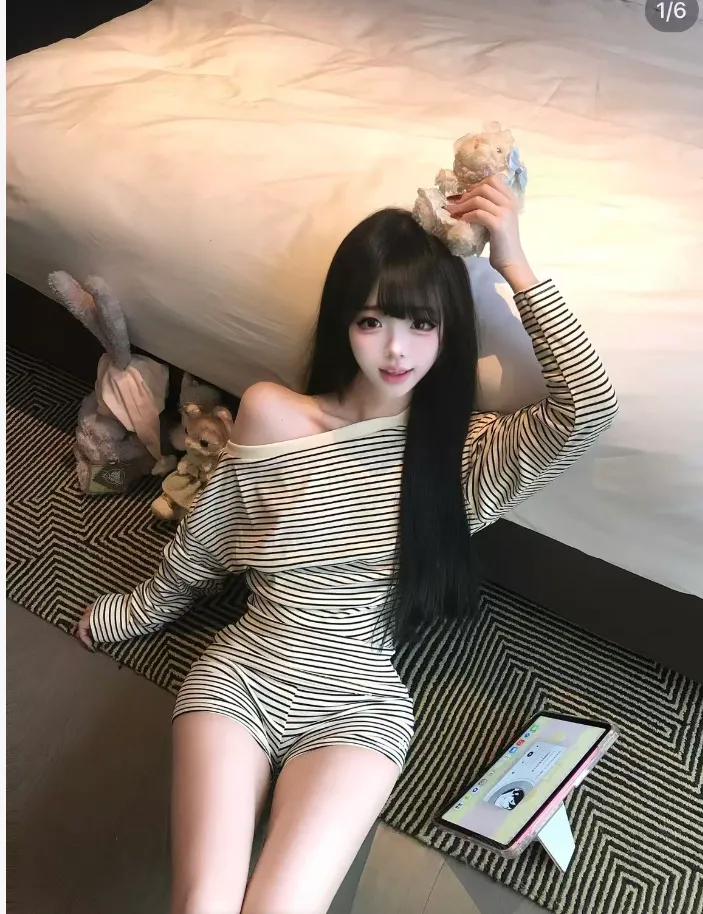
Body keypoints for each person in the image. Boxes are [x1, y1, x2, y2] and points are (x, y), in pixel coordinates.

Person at [76, 174, 618, 913]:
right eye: (372, 321)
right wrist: (139, 609)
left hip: (359, 708)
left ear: (449, 331)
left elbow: (588, 408)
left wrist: (513, 261)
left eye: (422, 323)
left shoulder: (460, 456)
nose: (396, 348)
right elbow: (209, 535)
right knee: (202, 902)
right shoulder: (271, 413)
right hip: (243, 678)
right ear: (343, 322)